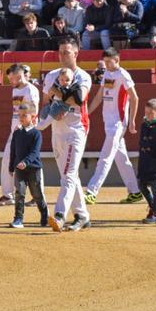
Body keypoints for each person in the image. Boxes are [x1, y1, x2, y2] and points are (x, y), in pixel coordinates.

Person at [43, 38, 92, 232]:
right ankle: (82, 215)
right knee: (69, 175)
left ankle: (60, 215)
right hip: (57, 129)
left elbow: (79, 99)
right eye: (61, 51)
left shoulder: (84, 77)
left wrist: (58, 95)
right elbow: (47, 99)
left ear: (76, 53)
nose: (63, 55)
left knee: (69, 175)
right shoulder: (51, 75)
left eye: (67, 51)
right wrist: (61, 102)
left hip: (76, 129)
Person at [83, 49, 141, 204]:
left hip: (118, 123)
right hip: (108, 122)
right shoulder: (107, 74)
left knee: (105, 157)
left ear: (117, 60)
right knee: (121, 158)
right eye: (105, 61)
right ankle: (135, 191)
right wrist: (86, 113)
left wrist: (132, 121)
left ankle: (91, 191)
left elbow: (135, 98)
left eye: (110, 61)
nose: (107, 65)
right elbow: (99, 96)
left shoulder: (124, 75)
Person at [0, 62, 40, 206]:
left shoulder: (30, 90)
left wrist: (27, 127)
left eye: (11, 79)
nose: (10, 81)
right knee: (7, 161)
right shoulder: (15, 90)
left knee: (31, 164)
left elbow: (35, 111)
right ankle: (8, 195)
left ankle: (37, 197)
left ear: (19, 76)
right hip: (15, 131)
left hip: (27, 131)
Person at [7, 106, 48, 229]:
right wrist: (11, 166)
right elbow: (13, 151)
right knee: (19, 193)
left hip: (33, 168)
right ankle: (18, 219)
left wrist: (25, 162)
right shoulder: (17, 133)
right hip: (20, 169)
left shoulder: (36, 133)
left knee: (37, 195)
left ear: (33, 117)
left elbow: (35, 152)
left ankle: (45, 216)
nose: (21, 118)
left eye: (24, 115)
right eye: (20, 115)